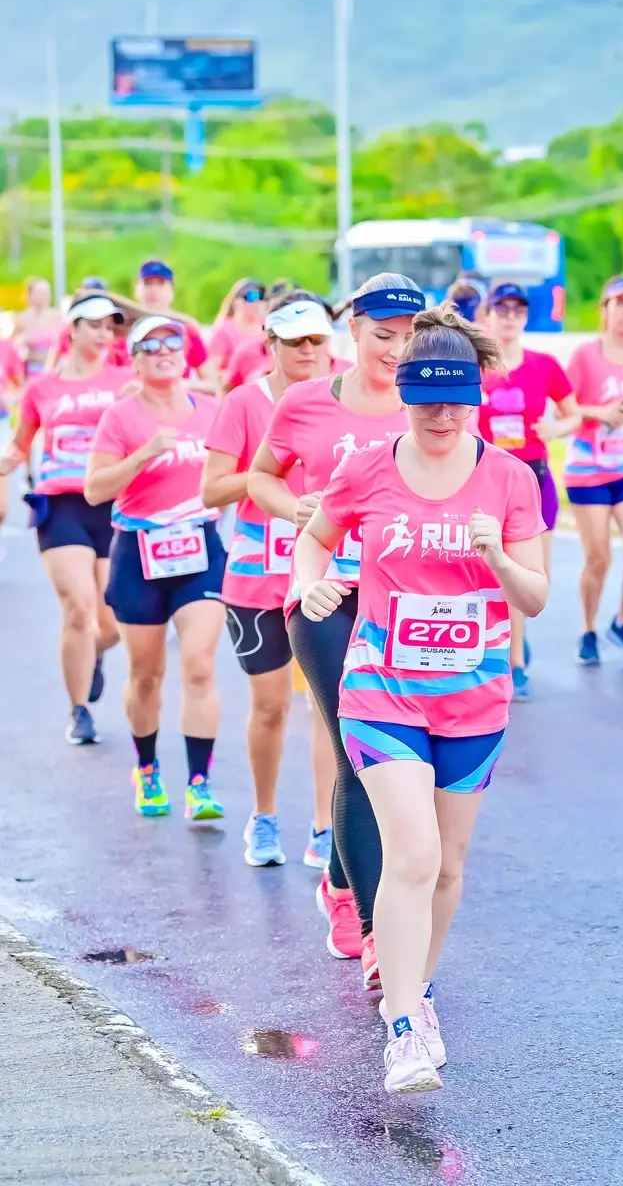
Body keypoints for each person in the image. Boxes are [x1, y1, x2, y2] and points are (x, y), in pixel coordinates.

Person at [293, 301, 548, 1093]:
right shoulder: (367, 467)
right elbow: (315, 537)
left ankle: (416, 989)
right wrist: (311, 587)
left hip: (473, 700)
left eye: (455, 398)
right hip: (382, 691)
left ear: (476, 395)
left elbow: (535, 597)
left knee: (448, 869)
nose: (441, 414)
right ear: (402, 392)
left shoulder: (508, 477)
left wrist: (498, 565)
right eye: (424, 397)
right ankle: (403, 1029)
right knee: (414, 852)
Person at [248, 273, 423, 984]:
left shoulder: (428, 405)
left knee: (405, 760)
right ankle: (376, 929)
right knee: (358, 745)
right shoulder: (304, 403)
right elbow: (261, 476)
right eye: (384, 336)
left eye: (409, 336)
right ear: (354, 331)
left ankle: (342, 884)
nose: (397, 350)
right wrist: (298, 513)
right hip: (322, 594)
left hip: (402, 598)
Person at [202, 295, 338, 867]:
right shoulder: (244, 403)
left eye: (316, 342)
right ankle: (263, 817)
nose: (308, 352)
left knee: (328, 708)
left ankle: (325, 826)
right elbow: (212, 490)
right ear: (271, 345)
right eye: (295, 343)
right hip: (257, 573)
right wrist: (274, 486)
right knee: (270, 707)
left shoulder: (345, 396)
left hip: (329, 572)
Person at [85, 316, 226, 821]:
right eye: (151, 344)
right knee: (146, 675)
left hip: (199, 551)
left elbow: (236, 472)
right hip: (139, 553)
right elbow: (96, 489)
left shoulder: (212, 411)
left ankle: (199, 783)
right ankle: (146, 768)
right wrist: (144, 453)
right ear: (135, 359)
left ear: (185, 353)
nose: (164, 350)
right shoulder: (120, 418)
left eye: (173, 342)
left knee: (201, 665)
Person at [0, 296, 131, 742]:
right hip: (61, 507)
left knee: (111, 622)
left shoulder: (126, 380)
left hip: (114, 505)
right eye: (92, 325)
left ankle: (91, 653)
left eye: (109, 327)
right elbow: (21, 444)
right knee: (78, 606)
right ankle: (79, 711)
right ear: (71, 329)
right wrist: (6, 462)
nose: (102, 334)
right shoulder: (42, 388)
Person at [480, 281, 580, 697]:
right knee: (496, 570)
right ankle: (514, 660)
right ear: (488, 314)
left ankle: (515, 641)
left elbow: (572, 414)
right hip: (488, 477)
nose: (509, 318)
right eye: (501, 310)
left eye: (517, 311)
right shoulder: (475, 364)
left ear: (525, 317)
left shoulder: (544, 365)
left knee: (534, 575)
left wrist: (556, 427)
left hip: (535, 476)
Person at [564, 276, 623, 666]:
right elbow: (564, 409)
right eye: (617, 303)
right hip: (589, 470)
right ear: (604, 310)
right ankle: (588, 629)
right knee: (599, 559)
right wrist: (598, 413)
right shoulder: (586, 355)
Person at [134, 260, 212, 386]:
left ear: (171, 291)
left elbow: (212, 384)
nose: (153, 290)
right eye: (148, 283)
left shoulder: (187, 330)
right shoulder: (124, 331)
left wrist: (174, 385)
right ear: (137, 289)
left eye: (160, 284)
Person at [207, 279, 269, 382]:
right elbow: (211, 369)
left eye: (262, 297)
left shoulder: (268, 328)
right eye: (252, 297)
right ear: (238, 301)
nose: (257, 302)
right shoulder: (225, 330)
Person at [0, 333, 25, 562]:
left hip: (0, 422)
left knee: (0, 508)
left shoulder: (6, 348)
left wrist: (11, 398)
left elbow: (21, 386)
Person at [12, 277, 62, 378]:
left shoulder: (58, 317)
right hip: (31, 373)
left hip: (55, 372)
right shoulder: (22, 319)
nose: (43, 296)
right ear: (30, 295)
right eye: (39, 293)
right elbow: (12, 347)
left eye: (46, 292)